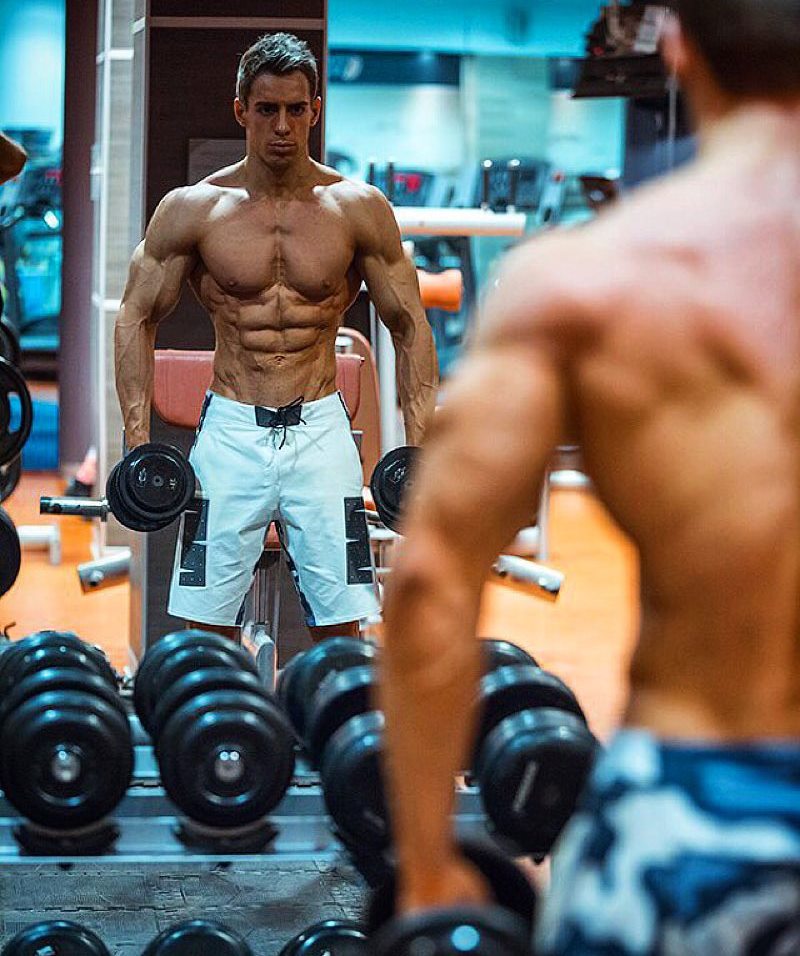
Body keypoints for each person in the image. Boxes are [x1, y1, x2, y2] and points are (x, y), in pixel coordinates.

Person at [380, 1, 800, 952]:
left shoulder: (589, 283)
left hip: (687, 814)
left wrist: (427, 870)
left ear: (676, 43)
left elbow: (429, 581)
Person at [114, 33, 437, 643]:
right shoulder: (196, 208)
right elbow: (135, 317)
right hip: (230, 434)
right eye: (267, 110)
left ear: (315, 109)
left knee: (342, 630)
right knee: (202, 633)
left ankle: (334, 732)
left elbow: (410, 325)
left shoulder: (357, 208)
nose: (283, 126)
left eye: (296, 109)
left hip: (320, 431)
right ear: (241, 110)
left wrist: (419, 448)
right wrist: (138, 444)